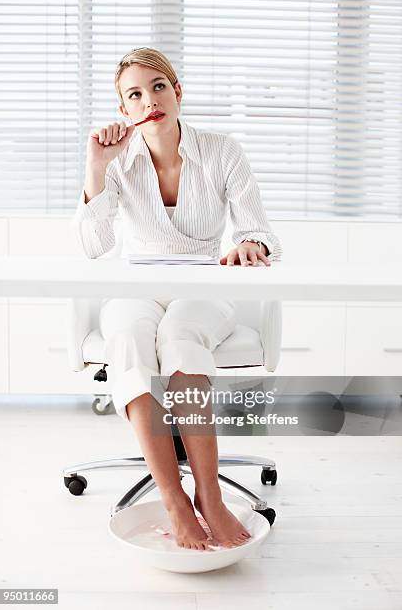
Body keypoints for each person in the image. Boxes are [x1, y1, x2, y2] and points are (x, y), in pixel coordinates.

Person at [72, 47, 282, 551]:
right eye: (134, 94)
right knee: (129, 340)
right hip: (137, 288)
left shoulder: (221, 151)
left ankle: (208, 493)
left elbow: (257, 228)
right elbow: (93, 246)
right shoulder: (119, 163)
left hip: (204, 287)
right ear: (124, 110)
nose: (149, 100)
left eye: (158, 86)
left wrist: (251, 243)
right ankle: (174, 500)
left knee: (181, 337)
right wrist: (96, 167)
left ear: (178, 91)